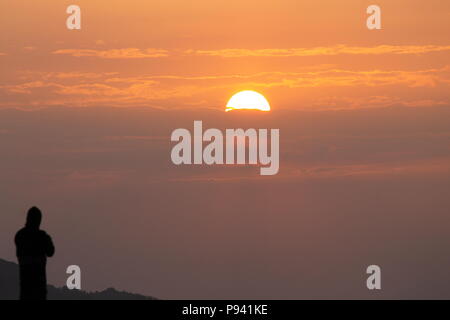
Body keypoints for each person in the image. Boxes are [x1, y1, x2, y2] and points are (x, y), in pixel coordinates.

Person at [15, 207, 55, 300]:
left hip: (26, 288)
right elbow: (51, 251)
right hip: (38, 288)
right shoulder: (42, 237)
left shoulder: (20, 236)